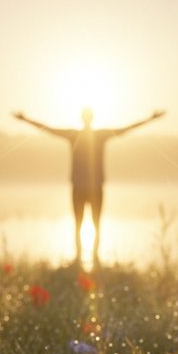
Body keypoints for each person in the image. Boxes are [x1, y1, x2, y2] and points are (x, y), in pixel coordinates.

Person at [12, 107, 165, 266]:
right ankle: (86, 258)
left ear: (84, 119)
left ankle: (88, 258)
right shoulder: (94, 135)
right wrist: (151, 119)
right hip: (87, 188)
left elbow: (48, 129)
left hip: (87, 188)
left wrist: (25, 119)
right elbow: (126, 129)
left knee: (86, 223)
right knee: (89, 223)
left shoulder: (81, 135)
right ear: (90, 118)